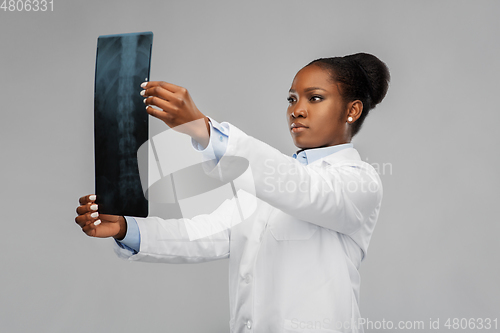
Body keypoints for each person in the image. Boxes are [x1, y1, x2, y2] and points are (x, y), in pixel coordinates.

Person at [75, 52, 390, 333]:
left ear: (352, 111)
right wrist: (127, 228)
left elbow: (305, 191)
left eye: (315, 98)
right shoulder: (267, 187)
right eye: (292, 99)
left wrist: (204, 130)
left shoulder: (359, 184)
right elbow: (206, 234)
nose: (297, 110)